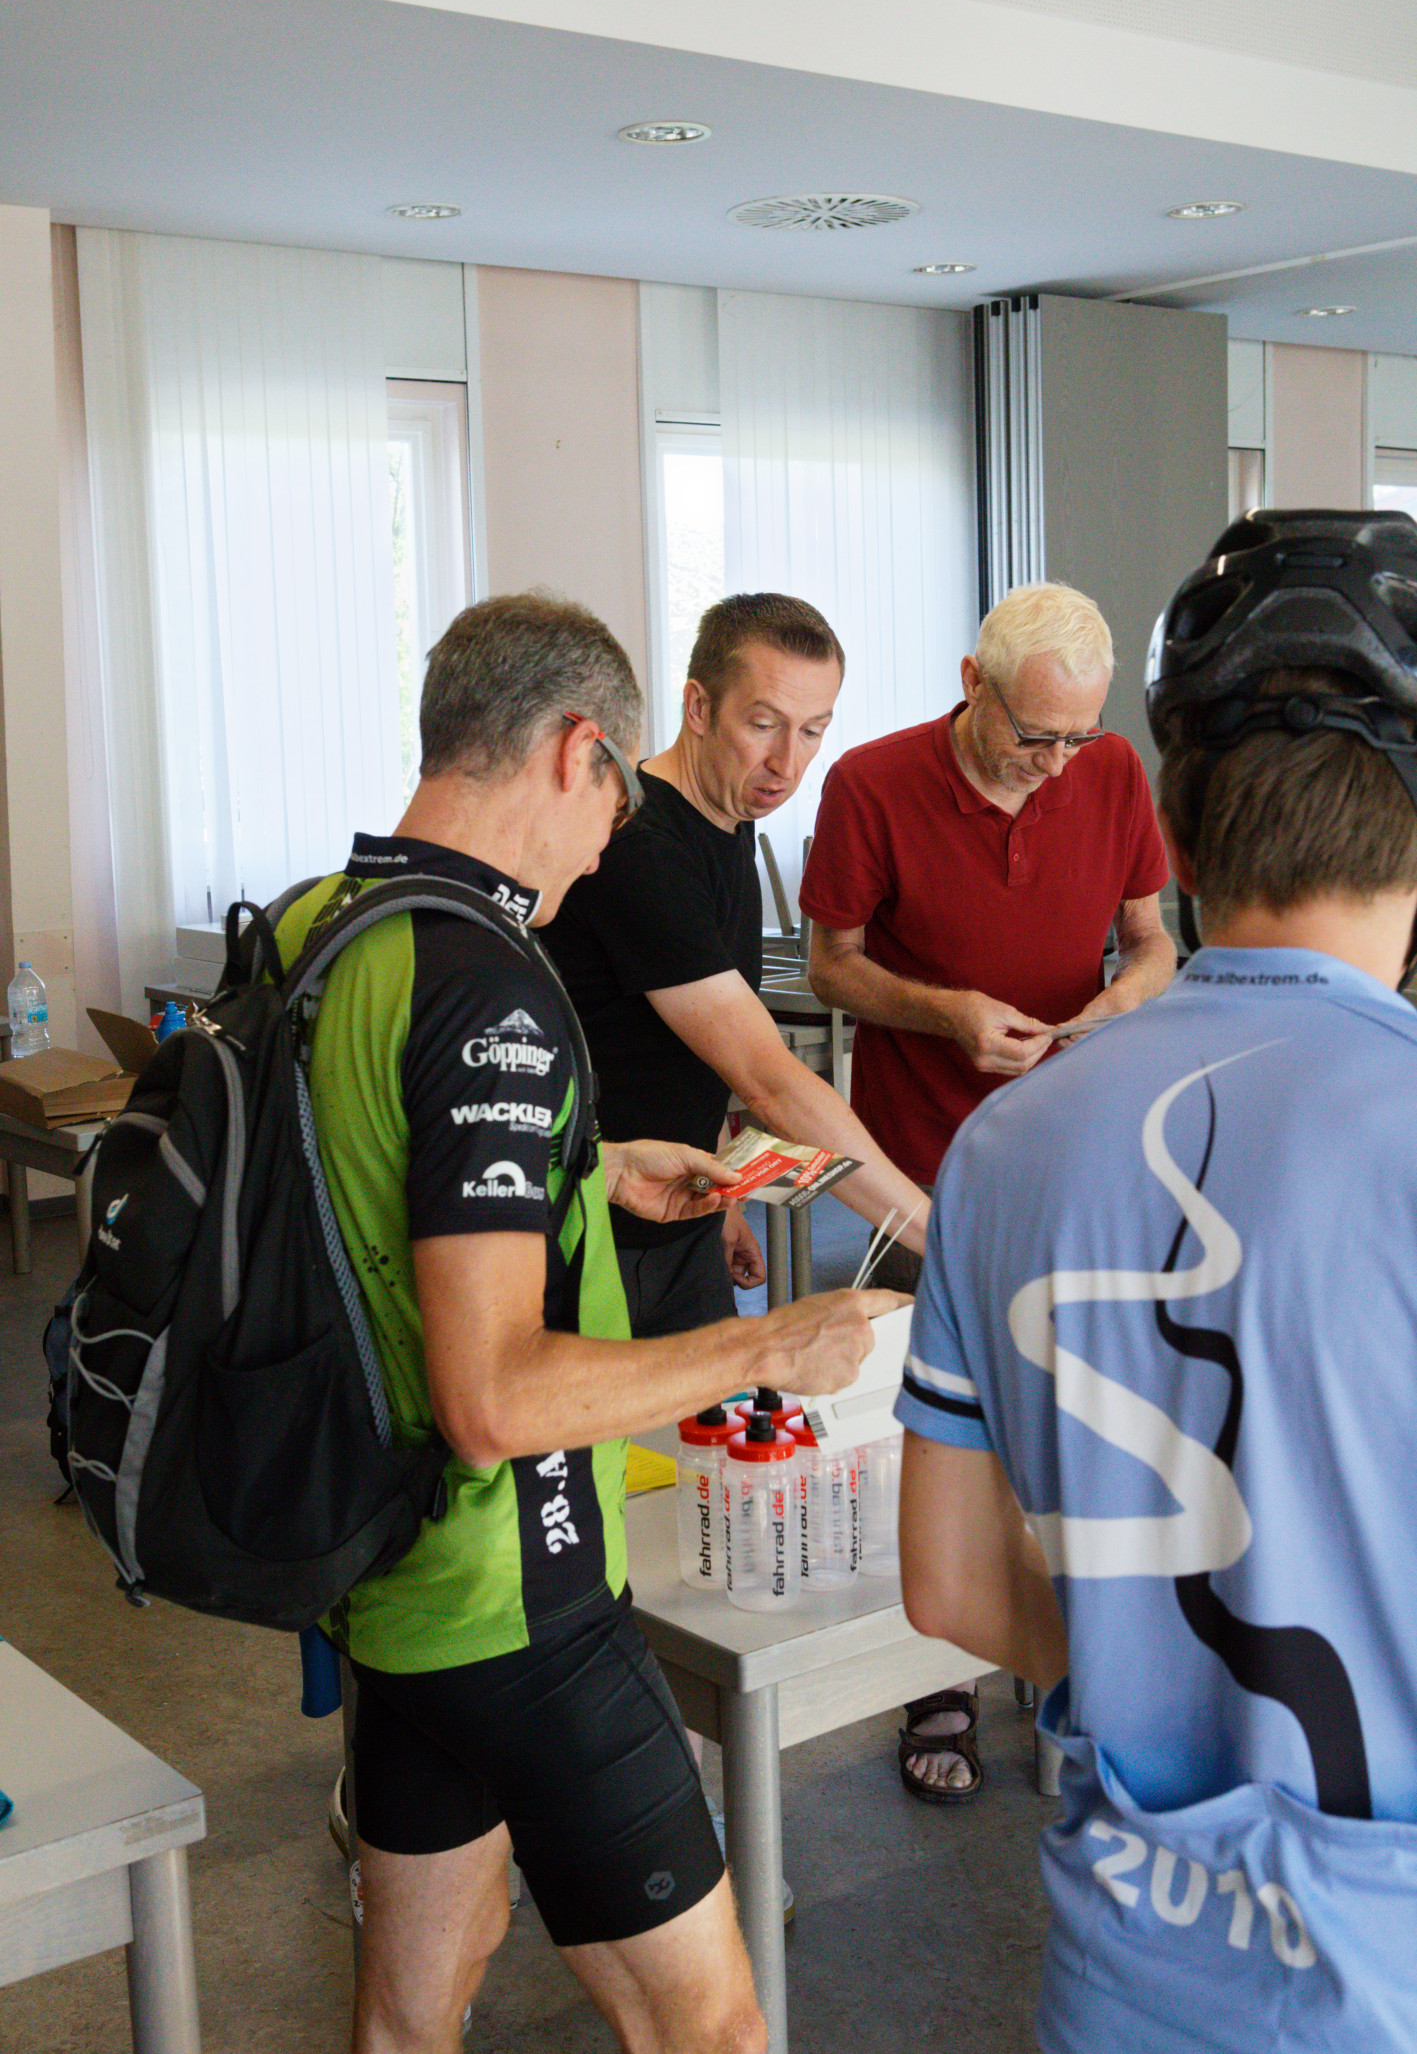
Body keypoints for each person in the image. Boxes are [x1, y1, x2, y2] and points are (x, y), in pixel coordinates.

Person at [276, 592, 904, 2054]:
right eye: (614, 795)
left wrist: (591, 1166)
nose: (608, 835)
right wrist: (773, 1340)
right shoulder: (491, 982)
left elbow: (368, 1184)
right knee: (713, 2023)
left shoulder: (325, 924)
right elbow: (494, 1395)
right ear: (578, 750)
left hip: (385, 1562)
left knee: (414, 2003)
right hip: (517, 1586)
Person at [897, 509, 1417, 2053]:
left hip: (1130, 1956)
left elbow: (950, 1583)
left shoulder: (1002, 1145)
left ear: (1173, 839)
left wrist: (1152, 1675)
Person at [801, 580, 1175, 1802]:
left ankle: (1072, 1664)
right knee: (938, 1434)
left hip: (1074, 1158)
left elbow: (1153, 940)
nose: (1058, 763)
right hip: (923, 1164)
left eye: (1079, 735)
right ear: (973, 683)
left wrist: (1122, 1002)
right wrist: (943, 1011)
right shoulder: (870, 783)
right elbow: (831, 966)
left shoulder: (1108, 773)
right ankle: (938, 1680)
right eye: (1034, 734)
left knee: (1072, 1418)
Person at [543, 590, 930, 1348]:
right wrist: (936, 1235)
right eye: (762, 725)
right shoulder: (639, 846)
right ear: (698, 707)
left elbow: (695, 1044)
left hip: (681, 1215)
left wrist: (724, 1194)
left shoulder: (727, 820)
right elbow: (769, 1079)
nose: (787, 762)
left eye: (812, 730)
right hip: (599, 1235)